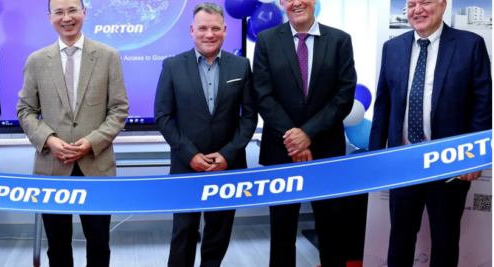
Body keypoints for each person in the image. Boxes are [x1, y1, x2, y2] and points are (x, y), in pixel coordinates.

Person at [369, 0, 492, 266]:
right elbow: (383, 106)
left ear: (443, 4)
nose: (418, 9)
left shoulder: (470, 45)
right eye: (412, 4)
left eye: (425, 1)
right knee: (399, 239)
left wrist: (475, 157)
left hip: (449, 164)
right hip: (403, 164)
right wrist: (376, 159)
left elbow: (482, 106)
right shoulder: (392, 48)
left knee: (445, 241)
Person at [16, 0, 129, 265]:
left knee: (99, 244)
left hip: (96, 166)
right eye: (59, 12)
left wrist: (91, 142)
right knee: (57, 246)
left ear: (84, 13)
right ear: (49, 17)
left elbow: (119, 109)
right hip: (52, 168)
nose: (66, 17)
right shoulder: (36, 61)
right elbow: (25, 110)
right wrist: (49, 140)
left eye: (72, 10)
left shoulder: (107, 55)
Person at [253, 0, 357, 266]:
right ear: (281, 3)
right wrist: (294, 139)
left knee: (332, 231)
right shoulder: (266, 41)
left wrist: (308, 134)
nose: (297, 2)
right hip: (282, 150)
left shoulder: (340, 40)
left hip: (327, 152)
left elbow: (344, 95)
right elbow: (263, 96)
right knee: (282, 233)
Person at [154, 3, 257, 267]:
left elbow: (249, 117)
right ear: (192, 30)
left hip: (227, 166)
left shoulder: (242, 66)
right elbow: (163, 118)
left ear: (224, 31)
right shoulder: (173, 66)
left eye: (215, 28)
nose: (208, 34)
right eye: (202, 28)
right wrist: (190, 156)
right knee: (184, 233)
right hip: (186, 166)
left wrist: (228, 155)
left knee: (218, 233)